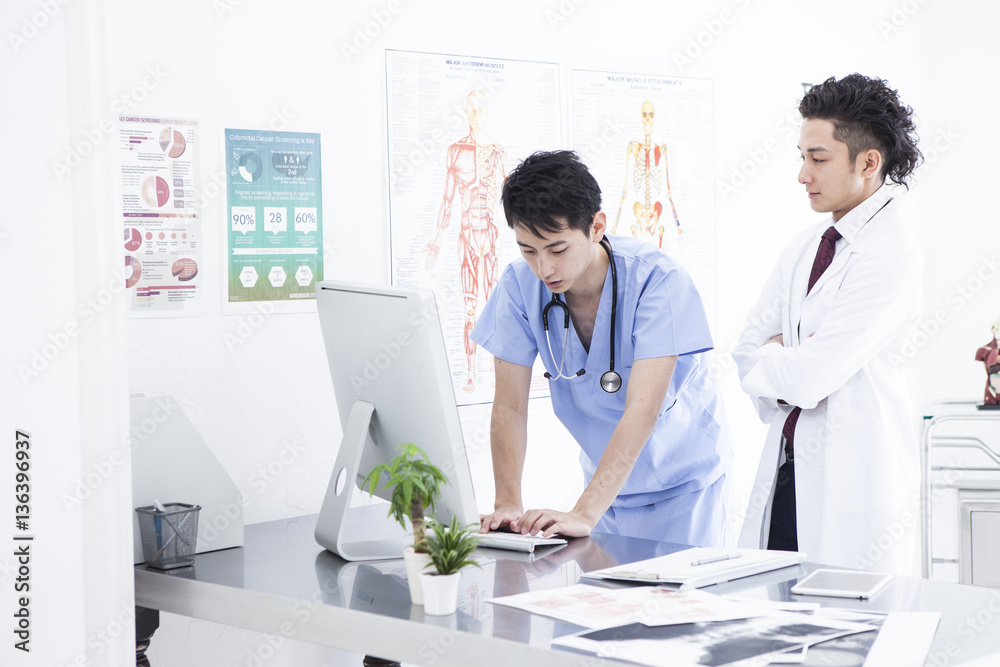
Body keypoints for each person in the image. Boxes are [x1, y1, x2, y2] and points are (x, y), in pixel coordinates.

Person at [472, 150, 730, 545]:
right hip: (605, 491)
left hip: (683, 489)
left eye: (557, 250)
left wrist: (582, 512)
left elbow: (642, 410)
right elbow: (509, 406)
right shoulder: (517, 287)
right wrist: (507, 502)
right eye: (528, 251)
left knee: (678, 604)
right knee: (607, 604)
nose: (544, 269)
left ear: (596, 227)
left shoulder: (657, 281)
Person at [733, 74, 923, 574]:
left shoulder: (890, 256)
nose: (802, 174)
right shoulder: (805, 247)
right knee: (772, 628)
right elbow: (744, 349)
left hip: (855, 481)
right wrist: (787, 361)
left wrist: (781, 359)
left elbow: (810, 377)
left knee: (847, 642)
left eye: (817, 159)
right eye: (802, 156)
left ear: (868, 162)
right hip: (787, 472)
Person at [426, 90, 508, 392]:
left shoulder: (498, 152)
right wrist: (435, 242)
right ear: (465, 111)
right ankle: (472, 373)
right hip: (467, 236)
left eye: (480, 109)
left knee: (496, 308)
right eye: (470, 109)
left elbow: (513, 200)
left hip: (490, 235)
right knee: (470, 309)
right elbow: (447, 200)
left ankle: (493, 373)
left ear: (487, 111)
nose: (475, 114)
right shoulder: (455, 151)